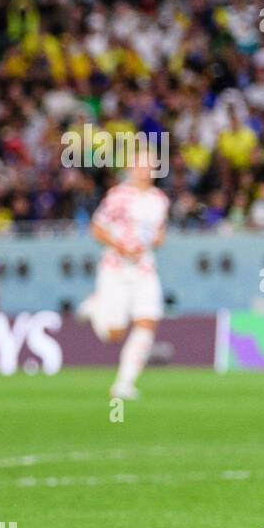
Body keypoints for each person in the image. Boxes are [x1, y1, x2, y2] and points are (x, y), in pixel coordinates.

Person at [78, 157, 169, 400]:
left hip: (144, 269)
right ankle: (96, 307)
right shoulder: (118, 196)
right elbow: (96, 228)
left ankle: (124, 383)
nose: (145, 170)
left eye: (149, 166)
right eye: (140, 165)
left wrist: (159, 239)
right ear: (130, 168)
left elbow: (159, 232)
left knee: (147, 322)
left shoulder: (159, 200)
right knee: (114, 334)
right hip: (116, 268)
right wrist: (120, 247)